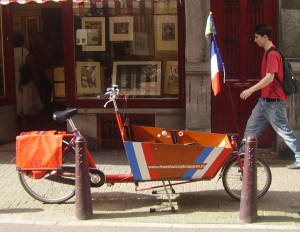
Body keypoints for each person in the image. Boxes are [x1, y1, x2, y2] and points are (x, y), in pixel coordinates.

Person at [239, 24, 300, 169]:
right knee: (251, 128)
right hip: (264, 102)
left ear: (265, 37)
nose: (255, 40)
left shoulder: (272, 54)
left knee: (285, 132)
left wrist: (250, 90)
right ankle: (241, 156)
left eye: (256, 37)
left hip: (274, 104)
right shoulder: (267, 53)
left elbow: (269, 78)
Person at [13, 34, 43, 118]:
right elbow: (29, 62)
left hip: (15, 74)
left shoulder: (11, 51)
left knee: (17, 91)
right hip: (24, 73)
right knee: (26, 92)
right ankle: (26, 110)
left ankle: (19, 110)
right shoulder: (24, 50)